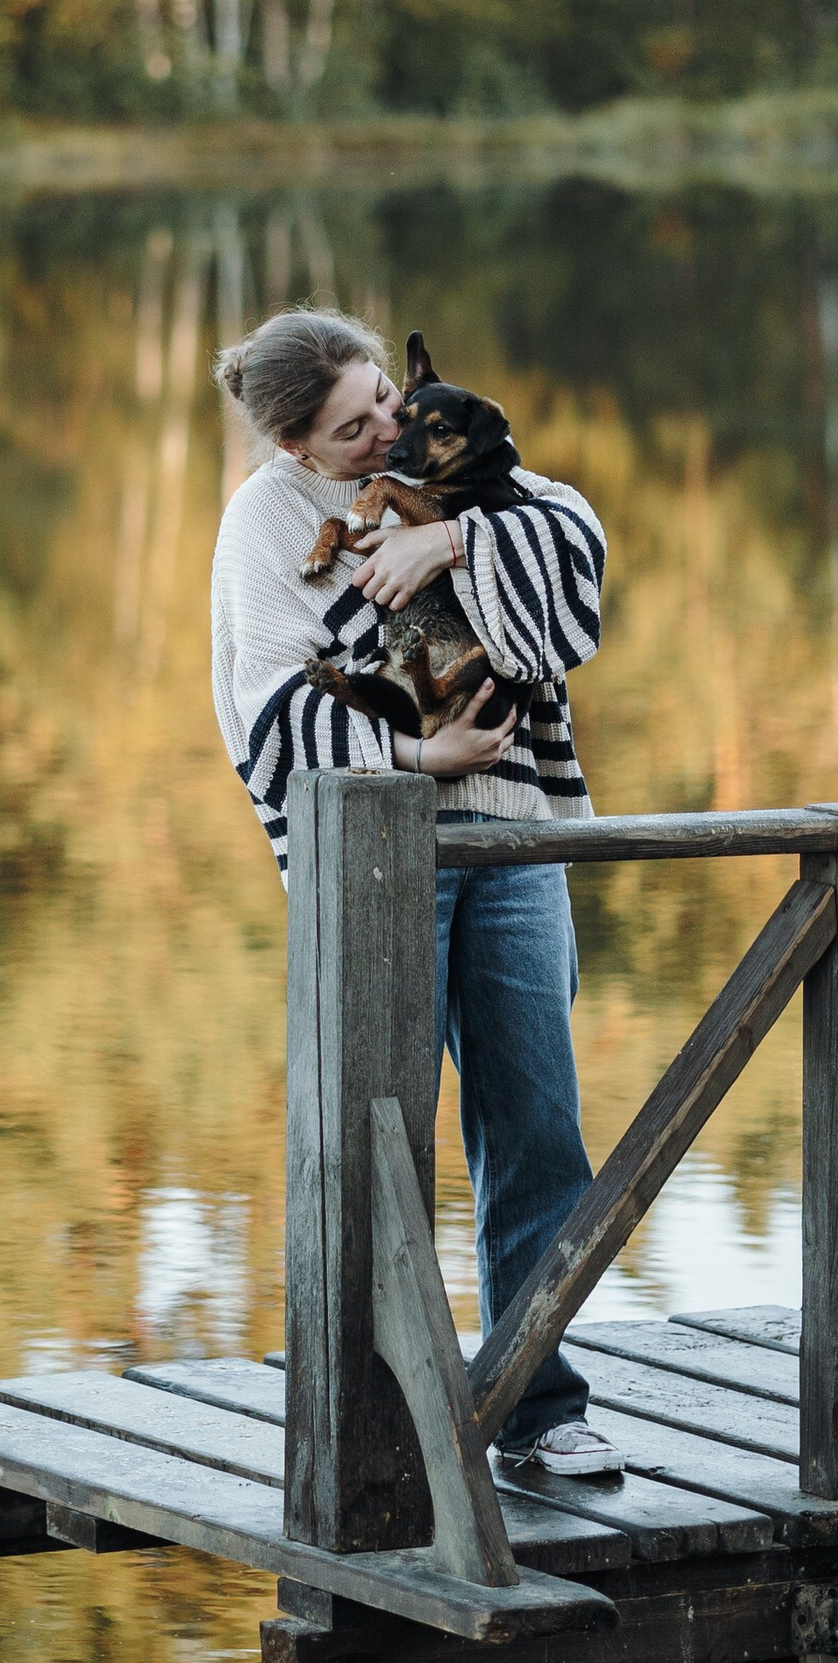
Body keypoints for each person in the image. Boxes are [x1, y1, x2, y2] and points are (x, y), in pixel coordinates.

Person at [208, 307, 621, 1481]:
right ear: (296, 448)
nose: (385, 426)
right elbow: (267, 707)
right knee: (378, 1137)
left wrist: (445, 548)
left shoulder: (455, 469)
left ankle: (540, 1410)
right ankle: (372, 1420)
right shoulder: (263, 524)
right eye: (352, 427)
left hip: (512, 834)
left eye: (385, 397)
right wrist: (416, 760)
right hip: (383, 850)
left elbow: (576, 562)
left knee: (537, 1124)